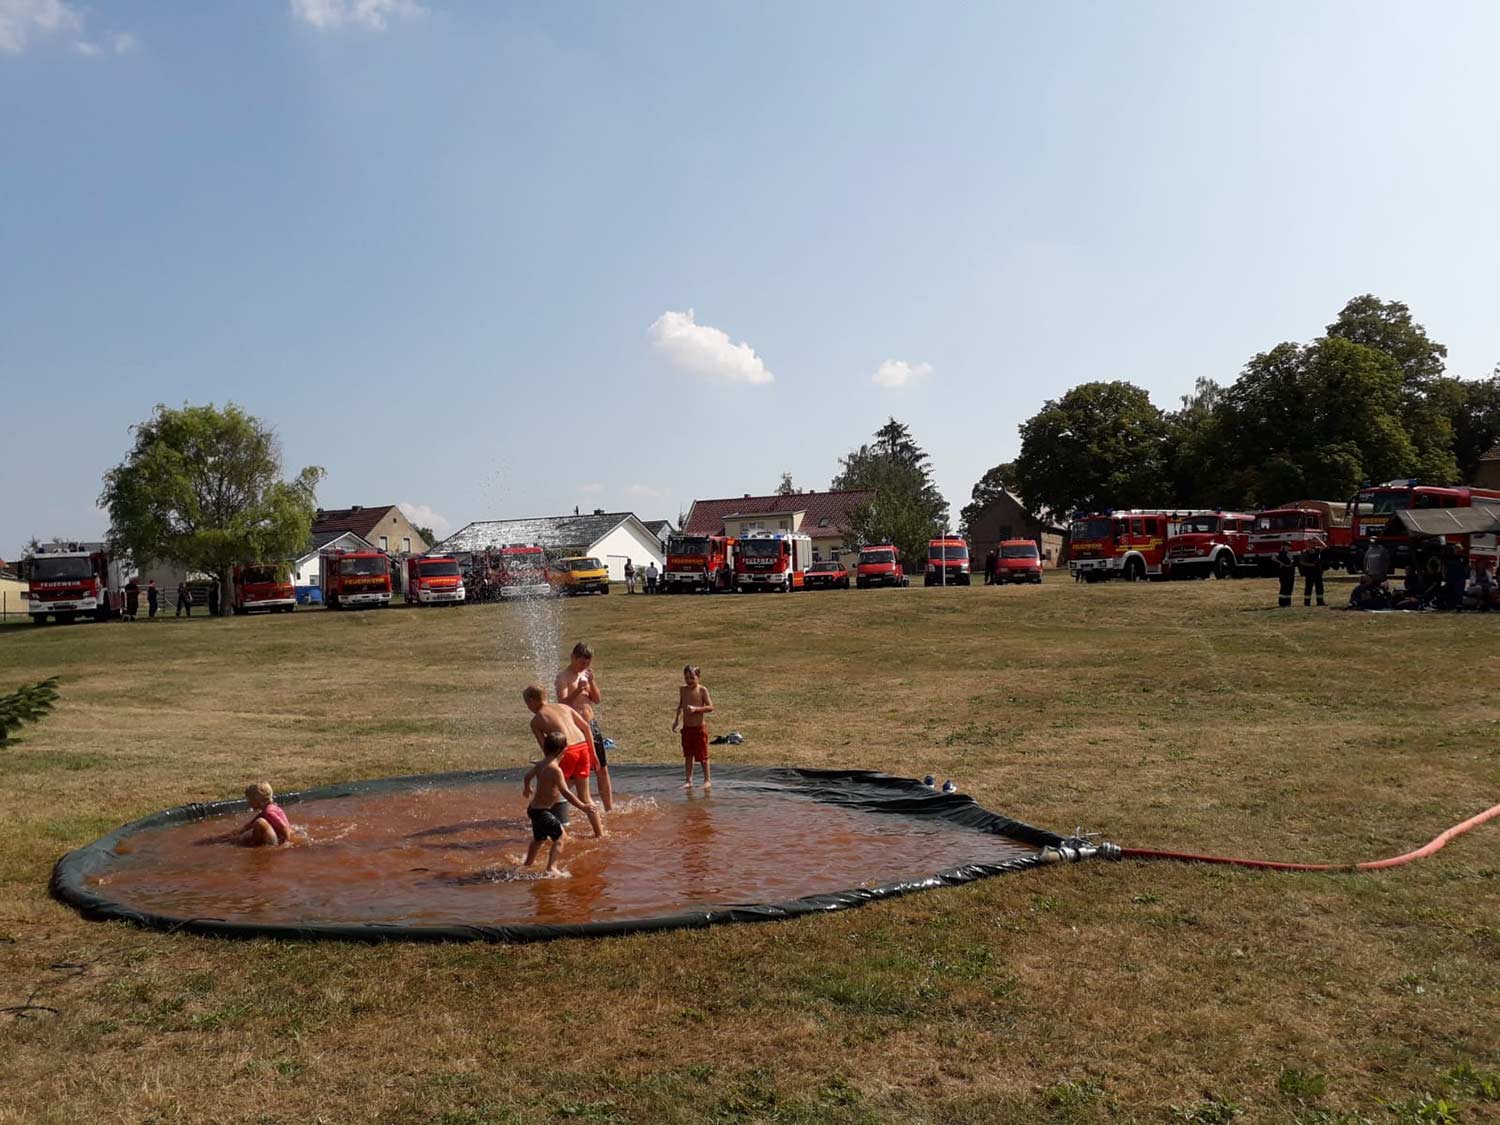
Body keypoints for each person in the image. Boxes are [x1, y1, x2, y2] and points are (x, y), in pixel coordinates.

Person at [521, 685, 602, 837]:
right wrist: (593, 753)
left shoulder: (536, 720)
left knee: (552, 794)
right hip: (583, 747)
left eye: (527, 703)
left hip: (566, 751)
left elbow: (547, 748)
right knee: (585, 796)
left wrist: (544, 764)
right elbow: (586, 727)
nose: (528, 707)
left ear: (531, 701)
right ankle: (599, 834)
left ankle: (558, 835)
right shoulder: (563, 707)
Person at [521, 731, 593, 874]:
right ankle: (551, 868)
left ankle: (527, 864)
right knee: (561, 837)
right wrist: (583, 806)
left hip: (534, 810)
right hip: (542, 812)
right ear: (563, 750)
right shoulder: (556, 770)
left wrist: (527, 788)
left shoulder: (541, 764)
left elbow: (527, 776)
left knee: (539, 839)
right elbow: (565, 792)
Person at [555, 641, 612, 811]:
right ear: (573, 658)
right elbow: (562, 703)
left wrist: (592, 683)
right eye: (581, 663)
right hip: (574, 729)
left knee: (601, 769)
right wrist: (578, 690)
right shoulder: (563, 677)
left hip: (591, 726)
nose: (583, 667)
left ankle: (609, 809)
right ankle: (554, 802)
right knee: (573, 774)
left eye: (587, 664)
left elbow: (597, 699)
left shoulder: (586, 675)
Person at [203, 781, 292, 846]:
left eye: (250, 800)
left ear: (258, 800)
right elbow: (247, 826)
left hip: (277, 841)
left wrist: (286, 843)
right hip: (276, 836)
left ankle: (254, 846)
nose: (248, 803)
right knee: (254, 825)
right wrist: (224, 837)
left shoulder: (269, 812)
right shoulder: (268, 809)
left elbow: (284, 828)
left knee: (259, 823)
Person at [673, 664, 715, 790]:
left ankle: (707, 780)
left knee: (703, 755)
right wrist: (676, 721)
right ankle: (688, 780)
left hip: (698, 728)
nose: (689, 681)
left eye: (692, 678)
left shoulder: (702, 690)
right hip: (687, 728)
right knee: (688, 755)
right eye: (686, 678)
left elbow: (710, 707)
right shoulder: (683, 690)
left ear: (698, 677)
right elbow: (680, 706)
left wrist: (696, 709)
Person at [1298, 538, 1326, 607]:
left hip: (1318, 571)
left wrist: (1318, 539)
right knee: (1308, 587)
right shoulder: (1305, 552)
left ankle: (1320, 602)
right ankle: (1307, 602)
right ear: (1308, 544)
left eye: (1314, 543)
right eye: (1312, 543)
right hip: (1309, 572)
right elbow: (1301, 562)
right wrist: (1310, 565)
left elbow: (1325, 546)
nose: (1313, 544)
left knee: (1319, 587)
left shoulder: (1317, 550)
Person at [1442, 543, 1469, 611]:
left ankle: (1458, 606)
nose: (1457, 550)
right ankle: (1449, 606)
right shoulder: (1448, 557)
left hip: (1460, 578)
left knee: (1459, 592)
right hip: (1450, 577)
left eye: (1459, 549)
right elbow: (1444, 567)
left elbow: (1466, 568)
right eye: (1456, 548)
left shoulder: (1464, 557)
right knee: (1450, 591)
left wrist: (1464, 576)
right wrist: (1444, 575)